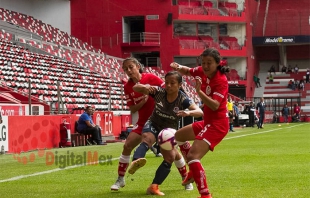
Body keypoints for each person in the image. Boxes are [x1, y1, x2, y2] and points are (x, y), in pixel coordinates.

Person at [127, 71, 203, 195]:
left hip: (168, 131)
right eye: (166, 82)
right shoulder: (158, 91)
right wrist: (145, 87)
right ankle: (136, 161)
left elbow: (200, 112)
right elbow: (135, 87)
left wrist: (188, 113)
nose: (168, 86)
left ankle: (154, 186)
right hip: (153, 123)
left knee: (170, 157)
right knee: (147, 139)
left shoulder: (183, 99)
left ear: (179, 85)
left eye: (172, 83)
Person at [170, 48, 230, 198]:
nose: (205, 65)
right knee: (179, 136)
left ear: (217, 63)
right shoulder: (202, 71)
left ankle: (205, 195)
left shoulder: (221, 80)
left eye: (209, 63)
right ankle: (192, 172)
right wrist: (178, 68)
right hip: (208, 122)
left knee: (192, 156)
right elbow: (188, 70)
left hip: (218, 124)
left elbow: (215, 105)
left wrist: (199, 92)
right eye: (203, 62)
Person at [110, 57, 164, 191]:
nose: (128, 70)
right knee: (127, 145)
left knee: (173, 152)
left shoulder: (151, 78)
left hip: (161, 121)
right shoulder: (128, 87)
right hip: (143, 123)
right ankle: (120, 179)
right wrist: (144, 101)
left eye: (131, 67)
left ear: (138, 66)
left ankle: (186, 178)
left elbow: (167, 91)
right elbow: (132, 109)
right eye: (125, 69)